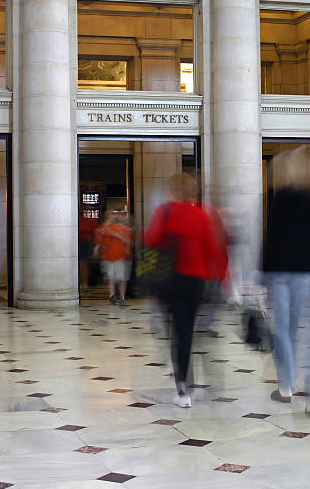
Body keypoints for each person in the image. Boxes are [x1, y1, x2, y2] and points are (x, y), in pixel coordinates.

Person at [144, 173, 228, 408]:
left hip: (171, 280)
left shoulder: (164, 211)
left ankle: (182, 385)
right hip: (196, 282)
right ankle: (185, 382)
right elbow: (213, 250)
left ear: (173, 190)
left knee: (175, 333)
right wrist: (224, 280)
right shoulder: (202, 215)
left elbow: (150, 239)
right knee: (187, 332)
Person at [264, 145, 310, 417]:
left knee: (284, 330)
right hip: (309, 274)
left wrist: (262, 273)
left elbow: (274, 238)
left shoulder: (283, 196)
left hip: (281, 273)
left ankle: (286, 386)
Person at [95, 210, 133, 306]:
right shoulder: (106, 228)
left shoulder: (125, 228)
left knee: (121, 279)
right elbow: (102, 237)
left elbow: (129, 242)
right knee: (113, 278)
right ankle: (113, 295)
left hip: (120, 257)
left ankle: (121, 297)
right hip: (110, 257)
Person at [79, 213, 99, 291]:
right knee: (84, 263)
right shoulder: (89, 221)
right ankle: (84, 283)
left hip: (85, 244)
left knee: (83, 263)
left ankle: (84, 283)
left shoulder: (88, 221)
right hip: (86, 243)